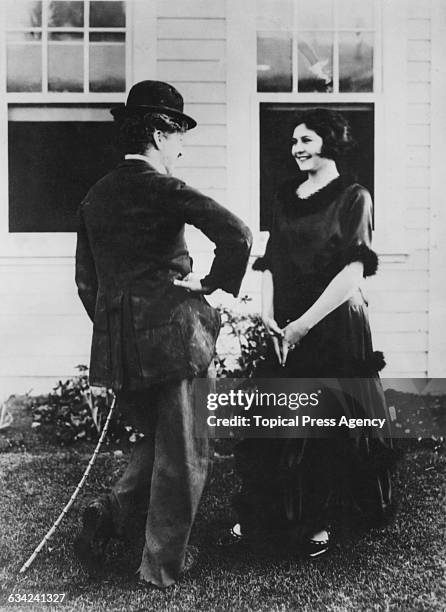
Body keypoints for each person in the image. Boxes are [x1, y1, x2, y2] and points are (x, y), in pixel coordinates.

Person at [74, 80, 252, 588]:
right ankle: (161, 567)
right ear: (157, 131)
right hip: (174, 341)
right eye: (178, 136)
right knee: (186, 452)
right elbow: (237, 233)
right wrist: (212, 283)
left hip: (120, 347)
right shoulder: (164, 186)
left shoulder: (95, 195)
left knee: (156, 443)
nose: (181, 147)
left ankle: (110, 513)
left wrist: (115, 328)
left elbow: (86, 282)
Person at [229, 108, 396, 557]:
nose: (296, 149)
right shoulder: (285, 195)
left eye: (306, 140)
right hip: (286, 323)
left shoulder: (355, 197)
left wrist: (305, 324)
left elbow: (354, 270)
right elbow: (270, 259)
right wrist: (268, 313)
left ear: (330, 142)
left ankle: (318, 519)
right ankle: (267, 513)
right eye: (293, 142)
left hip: (334, 323)